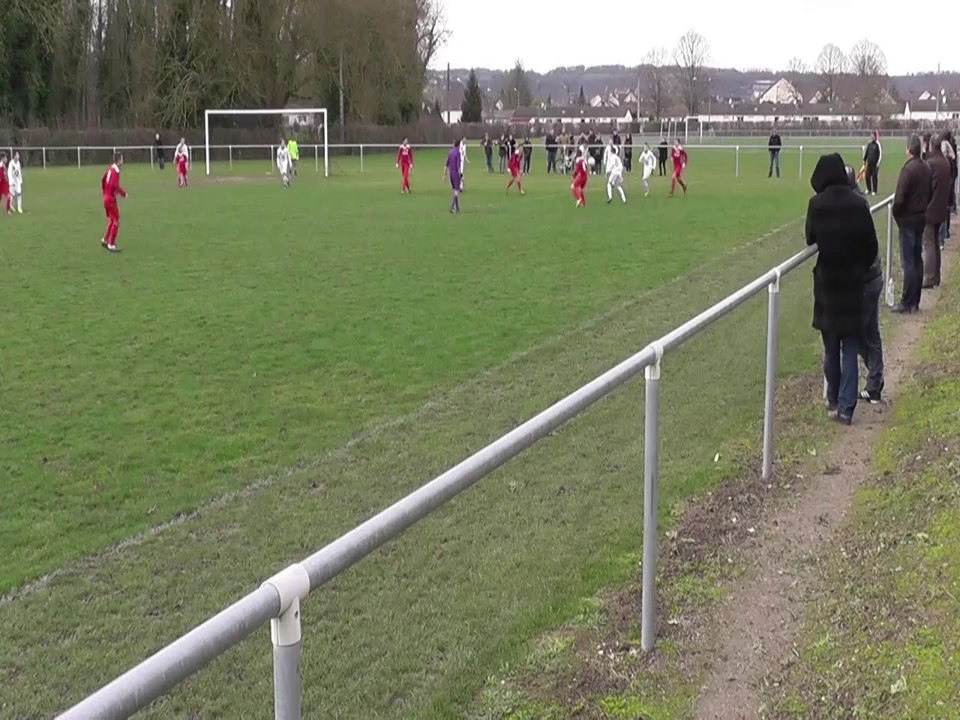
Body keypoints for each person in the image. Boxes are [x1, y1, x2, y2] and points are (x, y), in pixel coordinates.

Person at [805, 153, 879, 425]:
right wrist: (858, 267)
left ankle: (834, 399)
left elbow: (810, 237)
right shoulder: (859, 204)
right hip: (852, 284)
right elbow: (872, 246)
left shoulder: (816, 204)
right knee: (849, 345)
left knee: (831, 346)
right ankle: (847, 407)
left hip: (827, 284)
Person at [845, 164, 885, 404]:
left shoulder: (856, 207)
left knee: (863, 334)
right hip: (872, 276)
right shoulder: (858, 202)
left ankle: (875, 380)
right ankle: (875, 382)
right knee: (868, 332)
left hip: (867, 279)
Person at [891, 135, 931, 314]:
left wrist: (897, 215)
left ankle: (906, 302)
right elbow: (930, 192)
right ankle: (915, 301)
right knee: (917, 259)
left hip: (908, 219)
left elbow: (899, 198)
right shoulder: (926, 167)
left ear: (908, 149)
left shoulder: (908, 170)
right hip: (921, 217)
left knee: (909, 262)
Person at [923, 134, 951, 289]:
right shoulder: (945, 162)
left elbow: (927, 187)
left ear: (932, 145)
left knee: (929, 244)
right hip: (941, 208)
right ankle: (936, 276)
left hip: (930, 209)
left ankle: (929, 277)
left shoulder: (931, 163)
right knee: (934, 243)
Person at [100, 152, 127, 252]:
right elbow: (115, 185)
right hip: (110, 199)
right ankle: (111, 244)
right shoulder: (116, 171)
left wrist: (105, 192)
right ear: (119, 160)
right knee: (116, 220)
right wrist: (123, 194)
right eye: (122, 159)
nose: (123, 162)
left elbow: (103, 180)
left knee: (111, 219)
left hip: (106, 197)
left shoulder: (110, 169)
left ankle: (105, 239)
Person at [442, 141, 462, 214]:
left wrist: (444, 175)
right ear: (458, 145)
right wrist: (460, 175)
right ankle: (452, 207)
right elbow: (458, 166)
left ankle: (457, 208)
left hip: (451, 173)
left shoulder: (450, 152)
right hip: (456, 174)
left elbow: (446, 164)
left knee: (454, 190)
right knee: (457, 191)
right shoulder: (458, 153)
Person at [863, 130, 882, 196]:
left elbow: (880, 154)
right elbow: (867, 153)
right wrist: (864, 160)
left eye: (873, 136)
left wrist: (878, 164)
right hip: (869, 164)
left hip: (875, 165)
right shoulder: (869, 145)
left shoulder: (877, 145)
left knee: (874, 177)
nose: (872, 137)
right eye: (871, 135)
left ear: (875, 137)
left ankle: (874, 190)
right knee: (867, 176)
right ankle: (869, 189)